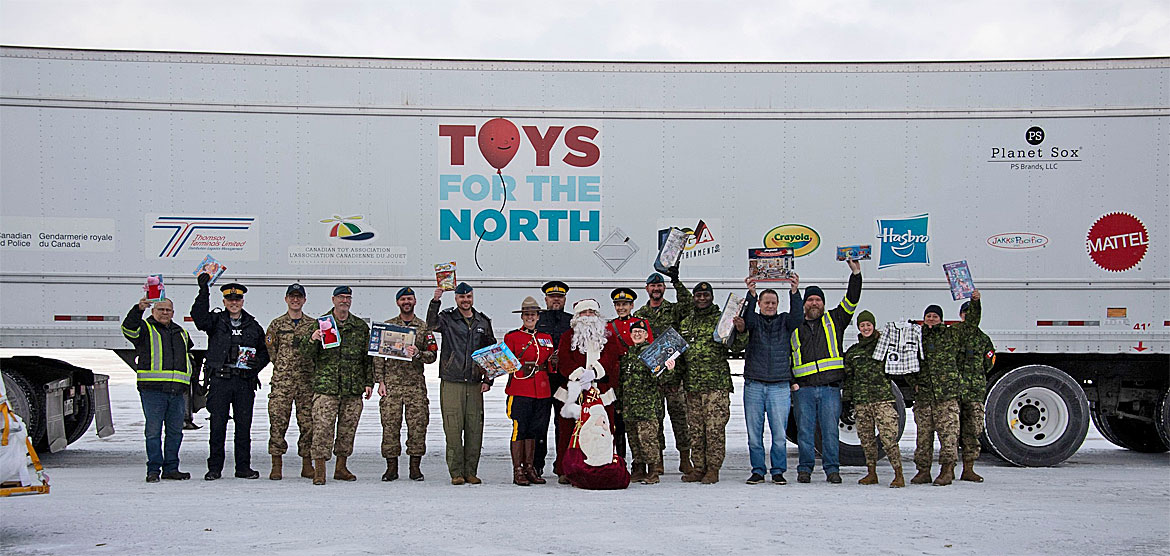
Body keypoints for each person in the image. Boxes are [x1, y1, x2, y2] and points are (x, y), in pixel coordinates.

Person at [790, 259, 862, 484]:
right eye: (810, 300)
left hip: (830, 388)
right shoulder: (794, 325)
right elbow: (786, 356)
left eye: (818, 300)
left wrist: (856, 274)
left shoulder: (836, 319)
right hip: (804, 389)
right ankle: (805, 469)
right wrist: (792, 381)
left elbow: (852, 298)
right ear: (804, 304)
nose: (814, 303)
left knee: (830, 432)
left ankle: (832, 470)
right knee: (805, 432)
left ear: (823, 303)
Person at [191, 278, 270, 481]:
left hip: (244, 382)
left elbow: (265, 352)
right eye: (230, 299)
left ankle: (243, 467)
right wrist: (203, 290)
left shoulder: (253, 325)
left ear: (242, 301)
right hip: (220, 381)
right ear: (224, 301)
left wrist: (256, 365)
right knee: (217, 426)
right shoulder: (216, 321)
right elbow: (198, 318)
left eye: (237, 299)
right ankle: (214, 468)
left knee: (243, 427)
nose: (234, 303)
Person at [678, 282, 749, 484]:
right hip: (692, 385)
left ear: (711, 296)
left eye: (705, 295)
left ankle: (713, 469)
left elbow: (737, 347)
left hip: (715, 385)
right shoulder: (686, 323)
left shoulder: (722, 320)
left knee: (714, 429)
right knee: (695, 430)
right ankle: (698, 468)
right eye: (698, 295)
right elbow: (680, 354)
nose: (702, 298)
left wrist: (741, 331)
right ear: (694, 297)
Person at [301, 286, 374, 485]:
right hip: (327, 387)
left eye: (348, 297)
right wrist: (313, 339)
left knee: (347, 429)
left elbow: (367, 358)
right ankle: (320, 470)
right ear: (333, 300)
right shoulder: (321, 323)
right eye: (341, 297)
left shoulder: (359, 326)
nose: (344, 301)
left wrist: (369, 382)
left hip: (352, 387)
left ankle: (341, 467)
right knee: (322, 428)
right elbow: (305, 354)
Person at [428, 282, 497, 485]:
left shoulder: (483, 322)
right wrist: (435, 301)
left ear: (472, 298)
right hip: (452, 380)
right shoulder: (448, 318)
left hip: (475, 382)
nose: (465, 300)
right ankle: (456, 472)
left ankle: (471, 472)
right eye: (461, 297)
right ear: (456, 298)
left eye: (468, 297)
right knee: (453, 428)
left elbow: (491, 353)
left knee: (475, 429)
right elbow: (431, 324)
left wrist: (488, 379)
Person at [909, 291, 980, 486]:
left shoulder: (950, 334)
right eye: (928, 316)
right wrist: (913, 382)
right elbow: (906, 361)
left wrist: (975, 302)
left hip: (946, 395)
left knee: (948, 435)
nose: (931, 319)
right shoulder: (916, 337)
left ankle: (947, 470)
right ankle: (923, 471)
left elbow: (971, 324)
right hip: (924, 396)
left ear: (941, 319)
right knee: (923, 437)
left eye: (935, 316)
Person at [121, 296, 194, 482]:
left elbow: (188, 356)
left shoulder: (181, 332)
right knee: (153, 432)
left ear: (173, 313)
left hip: (177, 392)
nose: (164, 313)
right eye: (160, 309)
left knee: (175, 433)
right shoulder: (145, 329)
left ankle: (171, 468)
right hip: (153, 391)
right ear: (153, 311)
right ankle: (153, 470)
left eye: (168, 310)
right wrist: (138, 309)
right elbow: (128, 329)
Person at [739, 274, 802, 485]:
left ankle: (778, 471)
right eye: (766, 302)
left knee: (779, 434)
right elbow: (746, 318)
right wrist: (751, 293)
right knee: (754, 434)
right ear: (760, 304)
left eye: (773, 303)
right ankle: (758, 470)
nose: (770, 306)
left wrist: (794, 292)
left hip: (779, 386)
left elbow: (798, 317)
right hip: (754, 384)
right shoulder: (754, 322)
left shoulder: (785, 321)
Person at [553, 299, 624, 484]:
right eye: (584, 313)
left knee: (603, 429)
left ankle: (603, 466)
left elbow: (612, 357)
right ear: (577, 316)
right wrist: (579, 374)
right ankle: (565, 469)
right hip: (574, 390)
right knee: (568, 431)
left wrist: (595, 372)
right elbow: (564, 360)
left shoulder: (608, 336)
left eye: (591, 312)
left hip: (601, 390)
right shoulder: (568, 336)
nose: (588, 316)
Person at [633, 267, 693, 476]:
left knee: (680, 419)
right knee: (655, 420)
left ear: (664, 288)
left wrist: (677, 281)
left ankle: (685, 458)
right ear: (647, 289)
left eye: (659, 285)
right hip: (652, 380)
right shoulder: (640, 315)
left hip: (674, 377)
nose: (656, 289)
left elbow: (689, 304)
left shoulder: (674, 310)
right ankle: (657, 460)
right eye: (653, 286)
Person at [375, 287, 438, 482]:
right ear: (398, 303)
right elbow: (378, 357)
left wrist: (418, 354)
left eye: (409, 299)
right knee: (390, 426)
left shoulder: (423, 327)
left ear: (415, 301)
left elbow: (433, 355)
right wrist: (380, 381)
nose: (406, 302)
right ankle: (391, 468)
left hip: (415, 385)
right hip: (392, 385)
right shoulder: (388, 326)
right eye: (403, 299)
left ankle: (415, 467)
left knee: (418, 426)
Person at [843, 310, 904, 488]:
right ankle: (871, 473)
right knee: (866, 440)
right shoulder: (853, 352)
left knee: (888, 438)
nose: (865, 328)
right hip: (862, 402)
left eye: (868, 325)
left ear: (873, 325)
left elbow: (896, 364)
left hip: (882, 400)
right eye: (862, 325)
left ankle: (898, 474)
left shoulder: (883, 347)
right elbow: (849, 379)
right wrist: (847, 401)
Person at [264, 283, 317, 481]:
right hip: (283, 383)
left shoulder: (312, 325)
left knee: (308, 424)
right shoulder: (277, 325)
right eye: (292, 297)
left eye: (299, 297)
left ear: (304, 300)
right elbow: (272, 352)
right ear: (286, 299)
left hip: (306, 382)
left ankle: (307, 464)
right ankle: (276, 465)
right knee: (278, 422)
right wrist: (284, 367)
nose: (295, 300)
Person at [503, 296, 555, 486]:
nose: (530, 317)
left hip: (541, 389)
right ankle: (518, 469)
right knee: (520, 428)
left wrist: (554, 362)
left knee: (534, 429)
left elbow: (550, 364)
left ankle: (530, 467)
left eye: (533, 314)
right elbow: (505, 363)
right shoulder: (512, 337)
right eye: (526, 314)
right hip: (520, 387)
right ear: (522, 316)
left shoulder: (546, 338)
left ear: (538, 316)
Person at [619, 320, 673, 484]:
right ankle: (639, 469)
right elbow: (622, 381)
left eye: (640, 332)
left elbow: (660, 377)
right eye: (634, 332)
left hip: (646, 407)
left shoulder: (651, 353)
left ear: (646, 335)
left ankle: (653, 471)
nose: (637, 334)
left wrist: (669, 369)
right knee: (634, 440)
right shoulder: (628, 356)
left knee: (648, 439)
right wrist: (620, 404)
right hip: (630, 407)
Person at [534, 280, 572, 477]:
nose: (556, 300)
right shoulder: (537, 320)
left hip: (564, 380)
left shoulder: (572, 321)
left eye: (559, 297)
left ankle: (562, 465)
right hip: (542, 379)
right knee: (539, 423)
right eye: (552, 297)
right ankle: (537, 464)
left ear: (564, 299)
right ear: (546, 299)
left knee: (564, 424)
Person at [956, 295, 993, 482]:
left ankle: (968, 469)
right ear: (961, 315)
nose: (967, 316)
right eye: (965, 313)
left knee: (972, 430)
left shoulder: (983, 339)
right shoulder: (954, 335)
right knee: (951, 432)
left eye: (971, 313)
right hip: (955, 392)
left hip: (974, 393)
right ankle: (948, 469)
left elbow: (989, 363)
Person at [607, 287, 645, 467]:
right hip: (617, 379)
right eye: (618, 305)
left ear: (632, 306)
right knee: (618, 422)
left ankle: (642, 463)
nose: (621, 308)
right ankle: (620, 460)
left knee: (638, 422)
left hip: (635, 379)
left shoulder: (640, 324)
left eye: (625, 304)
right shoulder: (609, 326)